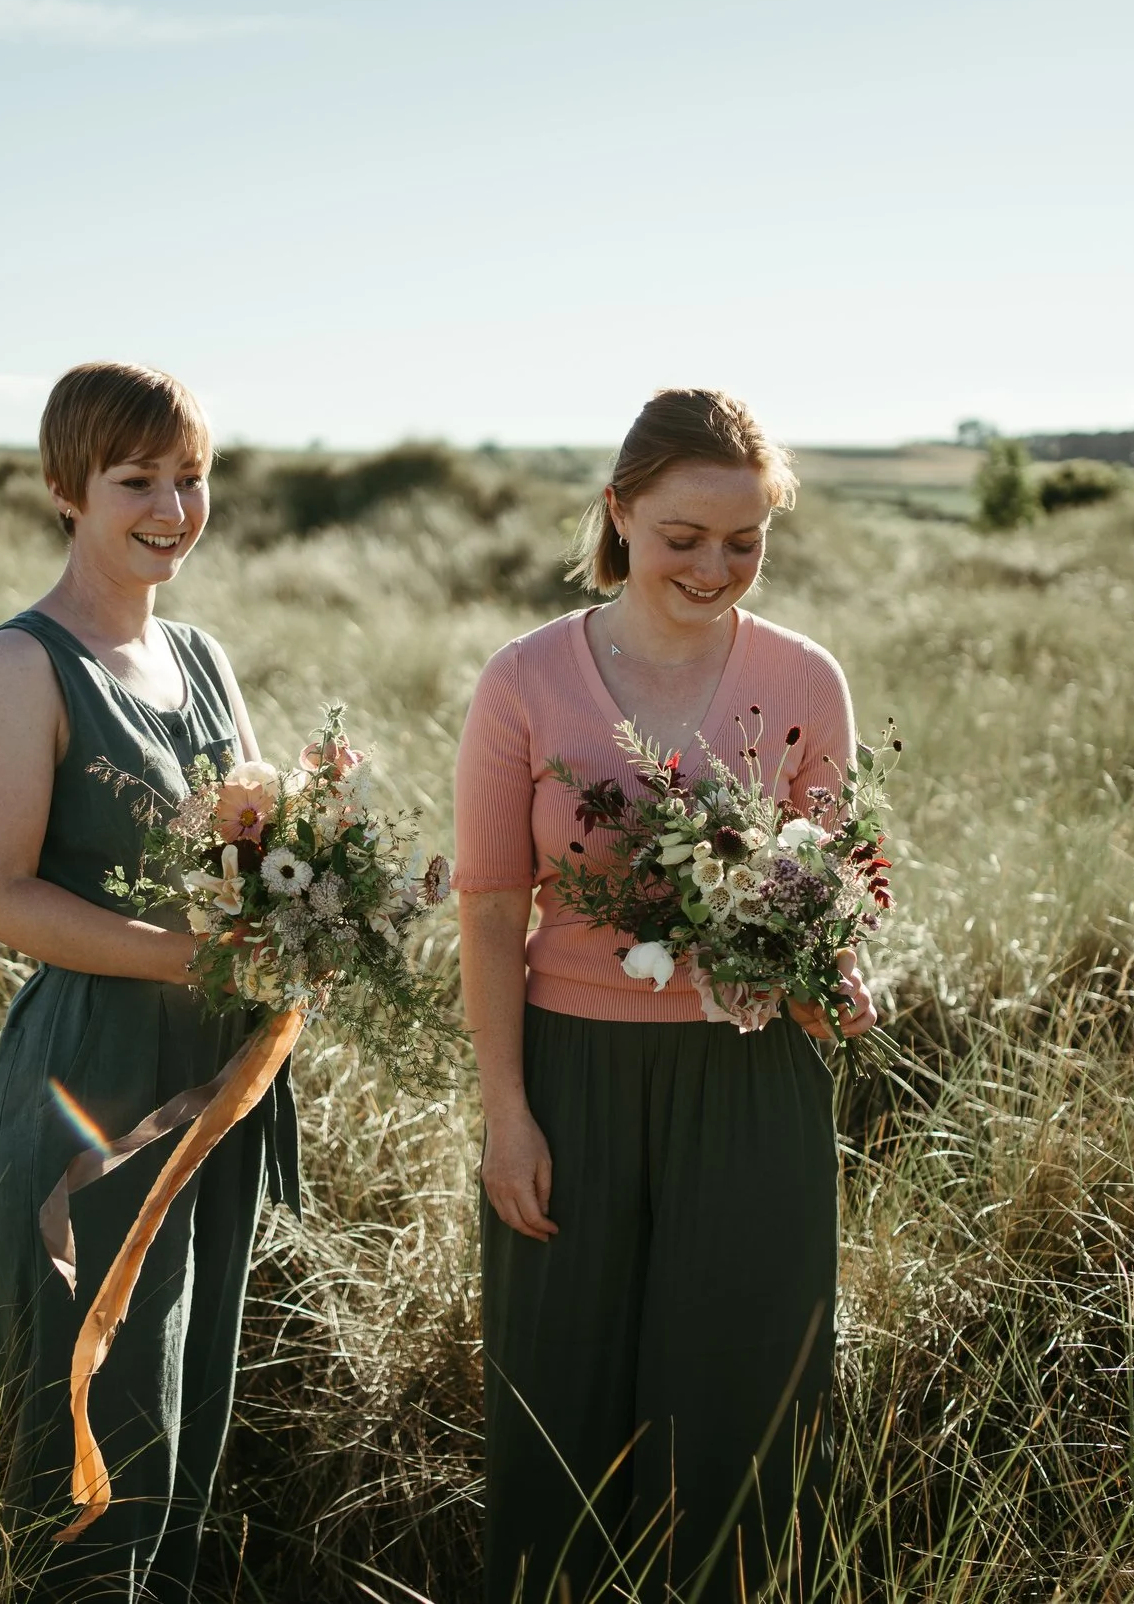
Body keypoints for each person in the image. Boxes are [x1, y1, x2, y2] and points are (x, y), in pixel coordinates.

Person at [453, 387, 878, 1603]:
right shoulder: (526, 678)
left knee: (740, 1408)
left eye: (744, 541)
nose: (715, 566)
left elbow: (836, 884)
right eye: (685, 536)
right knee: (561, 1402)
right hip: (572, 1081)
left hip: (753, 1083)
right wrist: (508, 1110)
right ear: (621, 512)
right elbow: (489, 907)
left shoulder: (807, 679)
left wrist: (837, 969)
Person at [0, 362, 295, 1601]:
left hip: (216, 1079)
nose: (173, 504)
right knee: (86, 1405)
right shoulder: (20, 663)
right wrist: (184, 955)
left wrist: (313, 915)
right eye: (137, 478)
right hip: (88, 1078)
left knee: (183, 1404)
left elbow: (262, 856)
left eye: (192, 475)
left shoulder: (201, 654)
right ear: (64, 488)